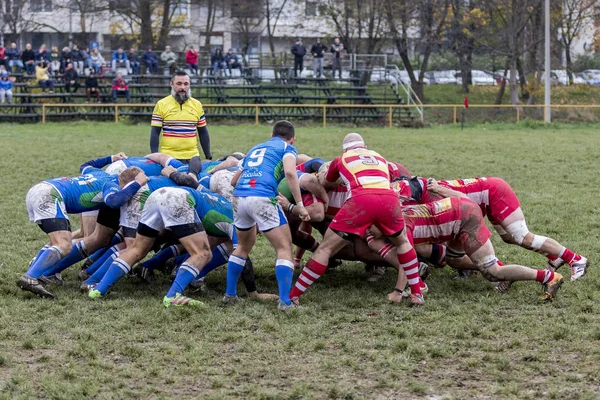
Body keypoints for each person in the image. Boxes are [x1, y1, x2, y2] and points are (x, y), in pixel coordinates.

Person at [289, 133, 426, 306]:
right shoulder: (380, 157)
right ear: (365, 147)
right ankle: (417, 293)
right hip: (389, 199)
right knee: (403, 242)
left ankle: (294, 295)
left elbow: (324, 182)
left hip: (360, 201)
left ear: (345, 149)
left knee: (326, 249)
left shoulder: (341, 159)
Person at [223, 120, 310, 311]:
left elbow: (234, 180)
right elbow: (290, 172)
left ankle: (230, 294)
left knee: (243, 247)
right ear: (293, 139)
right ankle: (285, 302)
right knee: (284, 247)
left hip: (239, 197)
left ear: (271, 135)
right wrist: (300, 205)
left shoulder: (256, 148)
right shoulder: (287, 148)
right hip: (262, 196)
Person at [18, 153, 129, 298]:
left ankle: (39, 273)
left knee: (57, 240)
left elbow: (85, 165)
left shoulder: (98, 173)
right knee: (64, 244)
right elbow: (114, 201)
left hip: (40, 188)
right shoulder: (112, 185)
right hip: (50, 196)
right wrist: (137, 185)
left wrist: (110, 158)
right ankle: (31, 277)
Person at [150, 70, 211, 162]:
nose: (183, 87)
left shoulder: (197, 105)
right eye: (179, 84)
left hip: (192, 156)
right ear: (171, 84)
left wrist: (208, 156)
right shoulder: (161, 104)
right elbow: (155, 133)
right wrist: (155, 156)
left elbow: (203, 132)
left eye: (186, 84)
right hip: (168, 156)